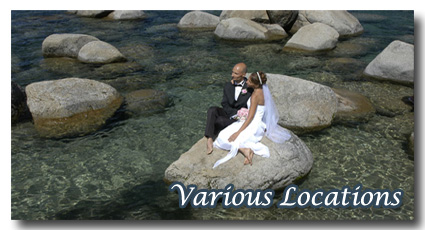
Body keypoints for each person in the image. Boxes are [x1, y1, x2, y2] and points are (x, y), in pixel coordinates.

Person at [212, 71, 291, 169]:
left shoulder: (255, 95)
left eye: (249, 81)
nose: (247, 82)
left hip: (253, 124)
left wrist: (238, 132)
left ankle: (244, 150)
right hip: (256, 122)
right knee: (224, 136)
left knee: (223, 139)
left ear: (256, 84)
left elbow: (251, 116)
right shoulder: (261, 91)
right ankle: (245, 150)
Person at [205, 63, 253, 155]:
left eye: (236, 73)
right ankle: (209, 138)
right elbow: (224, 103)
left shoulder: (249, 87)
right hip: (230, 113)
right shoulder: (228, 85)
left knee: (219, 121)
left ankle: (216, 128)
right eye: (232, 72)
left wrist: (239, 115)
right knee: (212, 110)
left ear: (243, 74)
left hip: (241, 118)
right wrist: (233, 114)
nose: (232, 75)